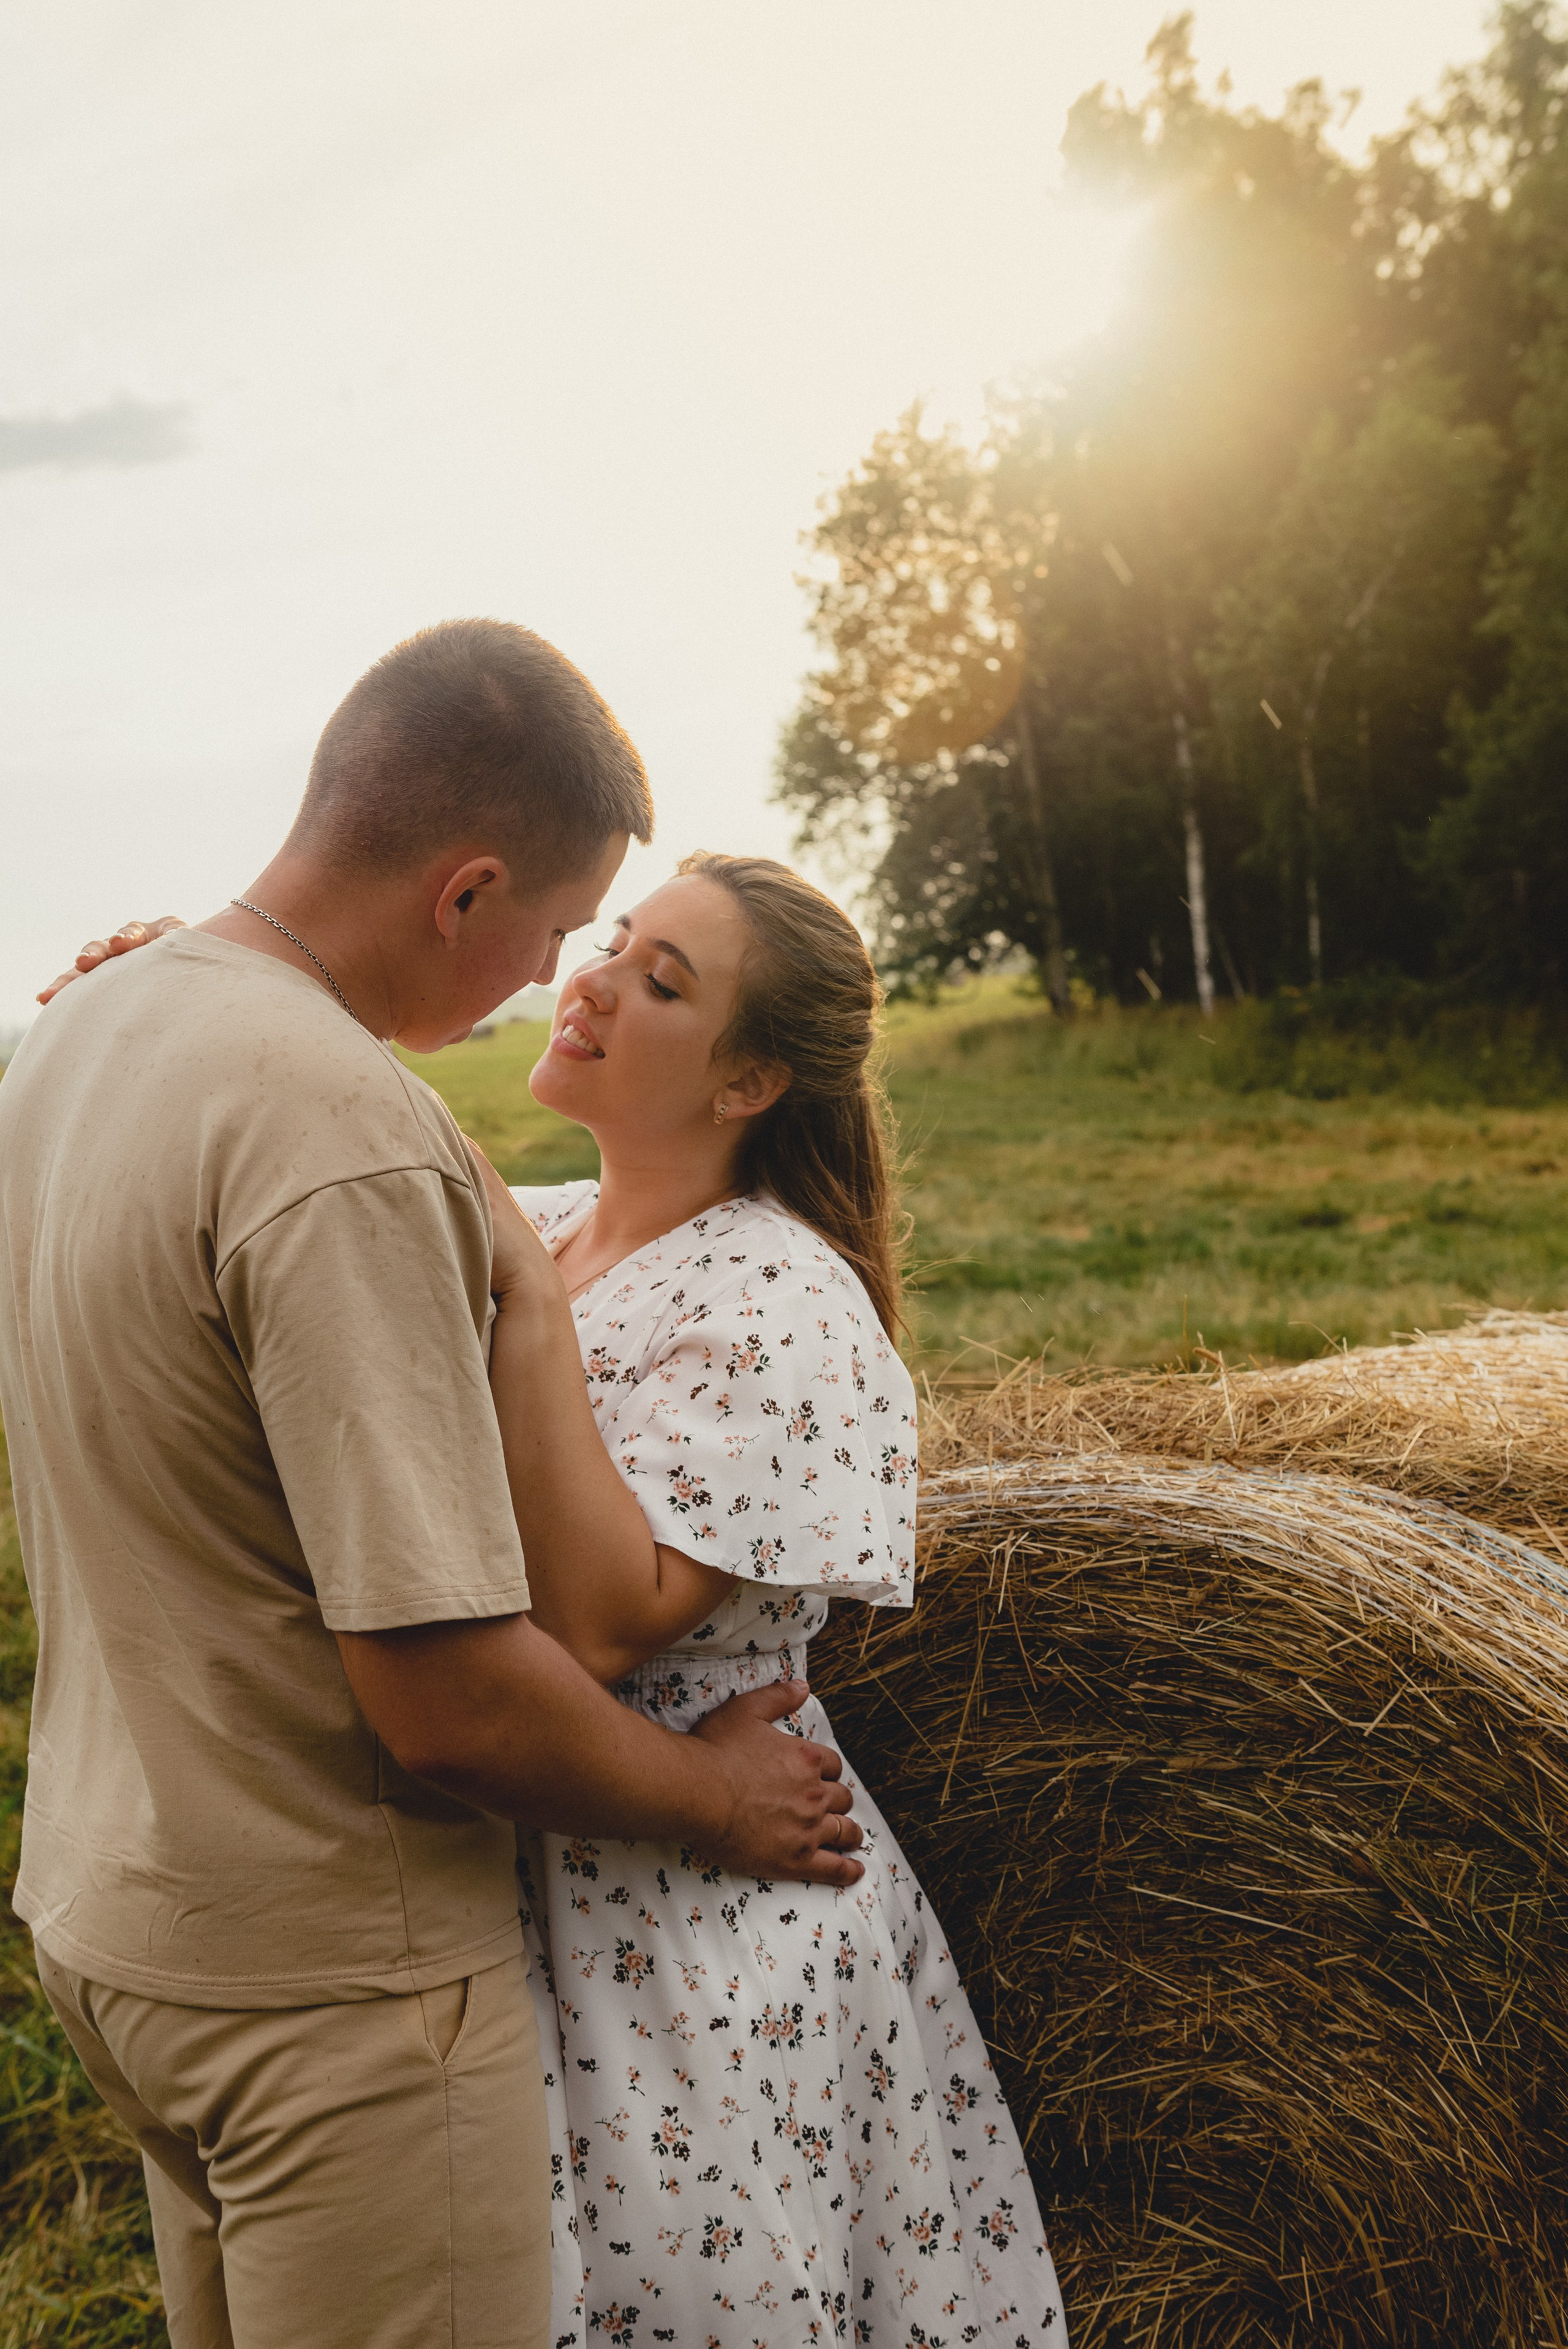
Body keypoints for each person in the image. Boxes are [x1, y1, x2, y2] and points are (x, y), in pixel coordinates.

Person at [1, 620, 864, 2349]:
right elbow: (450, 1691)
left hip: (125, 1912)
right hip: (334, 1985)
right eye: (559, 932)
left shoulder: (76, 1033)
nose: (555, 983)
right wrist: (713, 1799)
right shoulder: (340, 1128)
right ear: (467, 892)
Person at [77, 849, 1071, 2345]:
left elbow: (602, 1623)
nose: (592, 979)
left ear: (748, 1084)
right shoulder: (541, 1217)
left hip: (682, 1936)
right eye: (613, 938)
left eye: (662, 980)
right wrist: (206, 1002)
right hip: (492, 1862)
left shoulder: (780, 1297)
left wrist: (530, 1311)